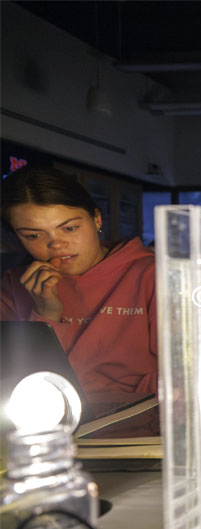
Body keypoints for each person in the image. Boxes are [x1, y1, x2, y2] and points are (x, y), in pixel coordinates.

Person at [1, 167, 158, 434]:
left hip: (141, 424)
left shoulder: (151, 273)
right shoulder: (13, 284)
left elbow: (186, 372)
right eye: (33, 235)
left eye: (70, 228)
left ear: (96, 219)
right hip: (46, 426)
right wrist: (45, 314)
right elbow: (13, 379)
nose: (57, 245)